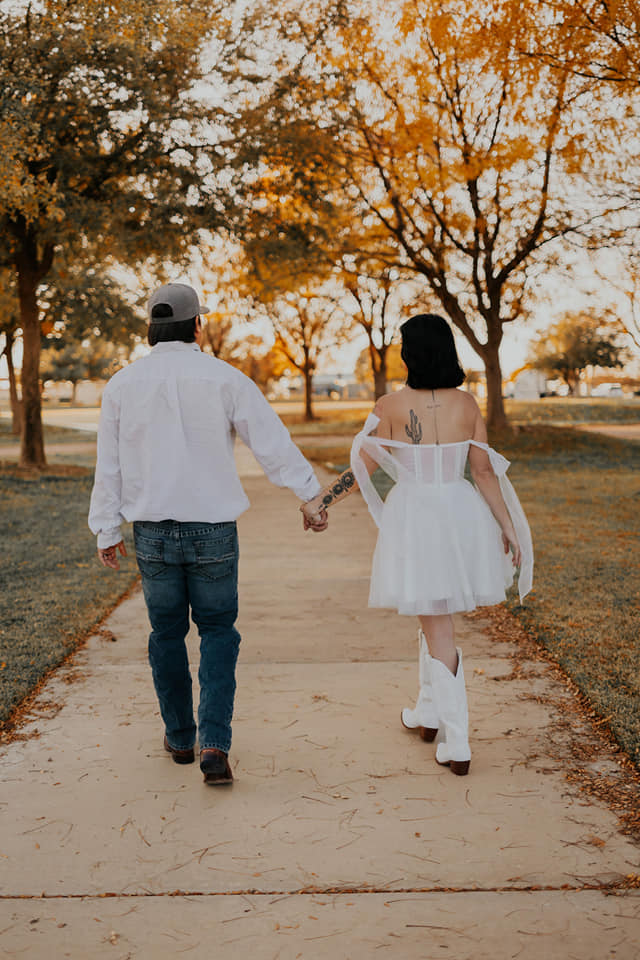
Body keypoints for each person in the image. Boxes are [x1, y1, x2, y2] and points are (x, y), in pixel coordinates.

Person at [89, 282, 327, 786]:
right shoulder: (225, 378)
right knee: (218, 631)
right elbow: (271, 442)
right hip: (213, 531)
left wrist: (107, 528)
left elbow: (108, 466)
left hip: (152, 532)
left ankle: (180, 737)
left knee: (166, 634)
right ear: (198, 324)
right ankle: (214, 743)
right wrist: (310, 495)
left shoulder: (122, 385)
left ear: (151, 327)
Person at [302, 313, 533, 777]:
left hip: (418, 518)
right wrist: (505, 525)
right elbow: (483, 473)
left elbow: (361, 469)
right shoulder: (467, 404)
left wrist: (320, 501)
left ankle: (457, 738)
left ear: (410, 353)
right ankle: (429, 712)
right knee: (432, 613)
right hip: (459, 513)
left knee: (438, 622)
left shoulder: (388, 405)